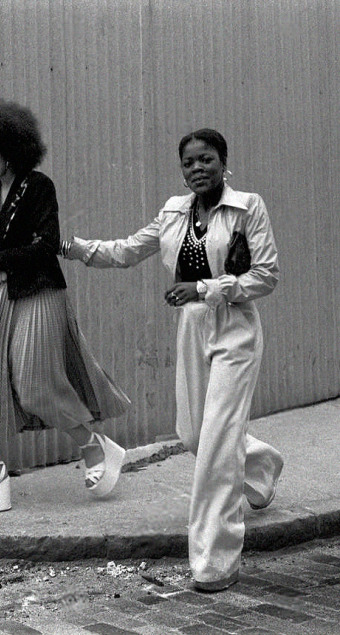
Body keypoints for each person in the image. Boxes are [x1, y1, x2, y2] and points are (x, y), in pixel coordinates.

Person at [61, 128, 284, 592]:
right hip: (192, 329)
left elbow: (265, 275)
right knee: (193, 433)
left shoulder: (248, 208)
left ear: (224, 162)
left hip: (236, 330)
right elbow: (126, 251)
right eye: (189, 162)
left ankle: (214, 560)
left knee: (217, 452)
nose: (197, 168)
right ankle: (261, 467)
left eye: (206, 159)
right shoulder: (173, 212)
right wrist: (73, 248)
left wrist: (205, 288)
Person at [0, 99, 130, 515]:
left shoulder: (39, 186)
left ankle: (95, 446)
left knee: (34, 385)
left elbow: (45, 246)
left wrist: (1, 259)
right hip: (5, 295)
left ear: (10, 150)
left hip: (40, 292)